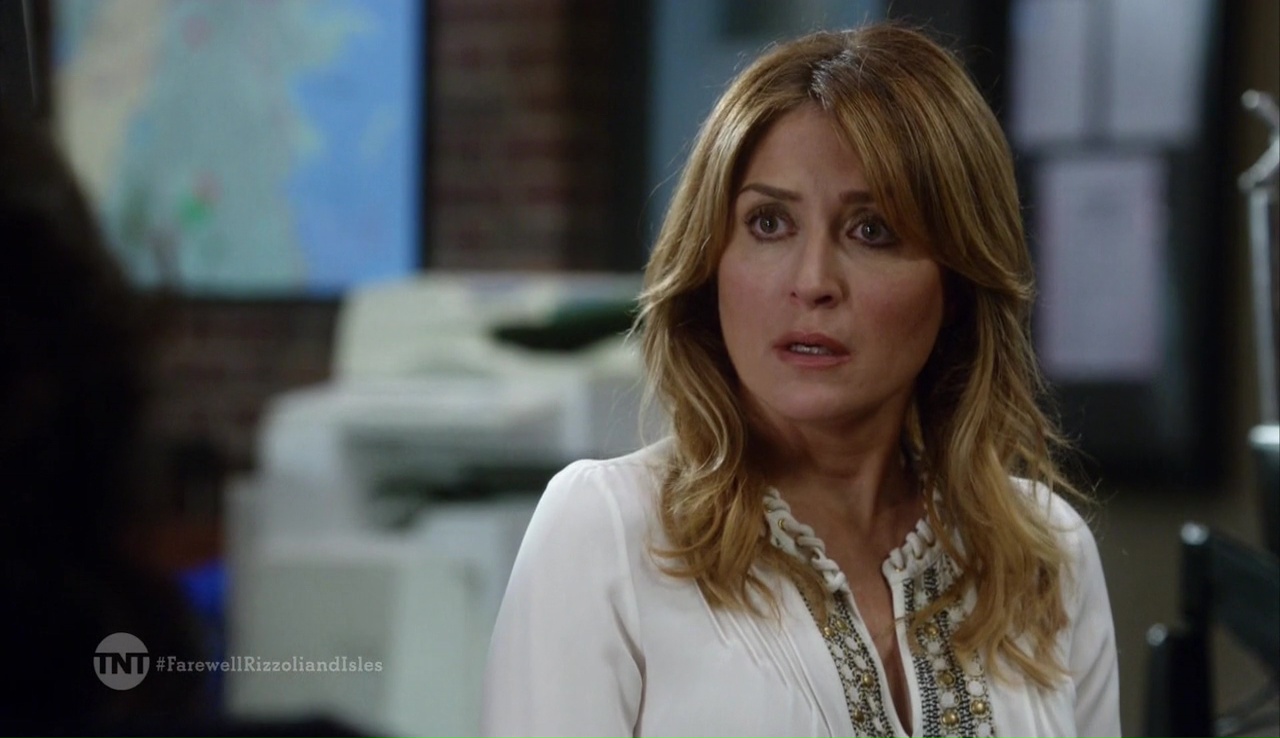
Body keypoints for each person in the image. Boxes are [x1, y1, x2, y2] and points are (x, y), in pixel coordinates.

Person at [481, 23, 1120, 738]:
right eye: (768, 223)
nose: (813, 281)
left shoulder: (1045, 557)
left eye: (872, 230)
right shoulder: (605, 532)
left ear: (957, 284)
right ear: (711, 262)